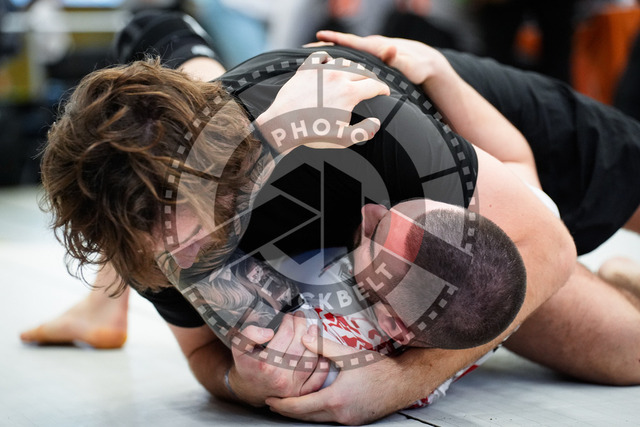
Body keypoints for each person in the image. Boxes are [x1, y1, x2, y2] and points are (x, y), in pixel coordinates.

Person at [18, 12, 637, 425]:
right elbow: (203, 352)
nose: (190, 263)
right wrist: (239, 385)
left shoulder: (347, 112)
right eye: (176, 262)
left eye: (201, 236)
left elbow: (547, 241)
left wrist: (397, 385)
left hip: (445, 110)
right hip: (398, 210)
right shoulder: (143, 237)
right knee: (626, 350)